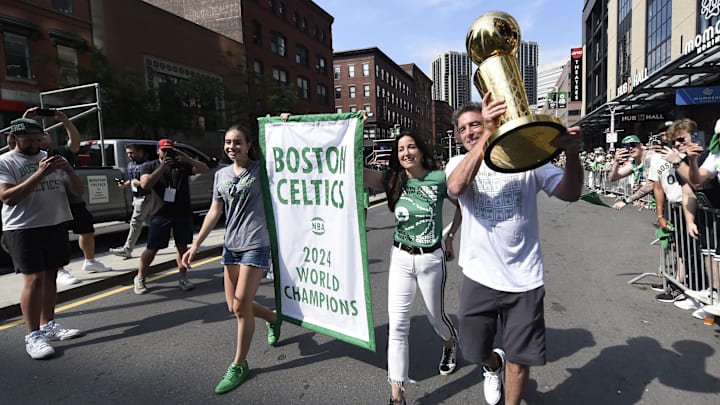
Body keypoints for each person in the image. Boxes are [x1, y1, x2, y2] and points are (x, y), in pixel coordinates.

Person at [446, 92, 583, 405]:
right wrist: (486, 139)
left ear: (491, 122)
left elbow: (570, 193)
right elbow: (455, 188)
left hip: (524, 278)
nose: (469, 131)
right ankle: (492, 365)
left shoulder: (526, 156)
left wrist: (573, 155)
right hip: (479, 276)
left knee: (521, 359)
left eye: (476, 124)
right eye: (463, 128)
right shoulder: (459, 162)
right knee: (474, 349)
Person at [181, 125, 280, 394]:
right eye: (227, 142)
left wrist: (283, 122)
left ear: (249, 145)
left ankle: (239, 364)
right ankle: (273, 318)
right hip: (231, 246)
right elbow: (215, 210)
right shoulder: (221, 174)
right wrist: (196, 244)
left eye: (237, 142)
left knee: (241, 307)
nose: (232, 147)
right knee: (233, 306)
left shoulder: (261, 170)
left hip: (256, 243)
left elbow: (283, 154)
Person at [364, 130, 459, 405]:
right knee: (398, 327)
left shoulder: (439, 178)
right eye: (401, 149)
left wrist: (450, 237)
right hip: (401, 259)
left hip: (431, 259)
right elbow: (356, 171)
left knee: (436, 318)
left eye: (411, 147)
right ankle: (397, 395)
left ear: (421, 150)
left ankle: (449, 344)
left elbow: (462, 206)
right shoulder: (393, 179)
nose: (406, 152)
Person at [0, 117, 85, 359]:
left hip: (55, 223)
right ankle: (32, 335)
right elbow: (8, 198)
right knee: (34, 279)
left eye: (40, 139)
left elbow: (78, 191)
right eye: (31, 140)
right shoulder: (5, 162)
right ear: (15, 138)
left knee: (50, 277)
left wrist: (68, 169)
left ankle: (48, 324)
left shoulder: (50, 158)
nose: (37, 144)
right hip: (23, 228)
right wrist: (40, 174)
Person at [23, 107, 112, 285]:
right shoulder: (26, 156)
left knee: (87, 229)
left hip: (72, 199)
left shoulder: (61, 153)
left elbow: (75, 140)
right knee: (58, 237)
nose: (44, 138)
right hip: (50, 202)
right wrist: (25, 118)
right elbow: (14, 139)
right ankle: (60, 270)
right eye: (40, 136)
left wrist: (64, 119)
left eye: (46, 135)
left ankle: (90, 261)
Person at [131, 138, 209, 294]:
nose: (167, 153)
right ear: (157, 151)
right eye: (164, 150)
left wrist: (186, 158)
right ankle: (140, 278)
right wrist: (162, 167)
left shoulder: (182, 165)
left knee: (182, 248)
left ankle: (183, 277)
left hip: (182, 212)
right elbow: (146, 184)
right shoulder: (149, 166)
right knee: (152, 248)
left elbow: (205, 169)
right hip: (160, 213)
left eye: (170, 150)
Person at [109, 144, 156, 259]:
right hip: (136, 197)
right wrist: (126, 184)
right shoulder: (131, 165)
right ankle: (169, 236)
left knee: (135, 222)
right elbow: (132, 179)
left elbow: (151, 181)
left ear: (140, 152)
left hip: (146, 196)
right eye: (128, 153)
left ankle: (127, 249)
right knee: (151, 221)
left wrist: (138, 183)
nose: (129, 155)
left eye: (132, 153)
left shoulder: (147, 165)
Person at [610, 135, 654, 210]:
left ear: (641, 145)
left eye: (633, 145)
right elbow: (613, 178)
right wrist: (616, 162)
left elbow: (650, 184)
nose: (630, 148)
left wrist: (626, 201)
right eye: (627, 146)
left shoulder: (650, 157)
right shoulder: (633, 163)